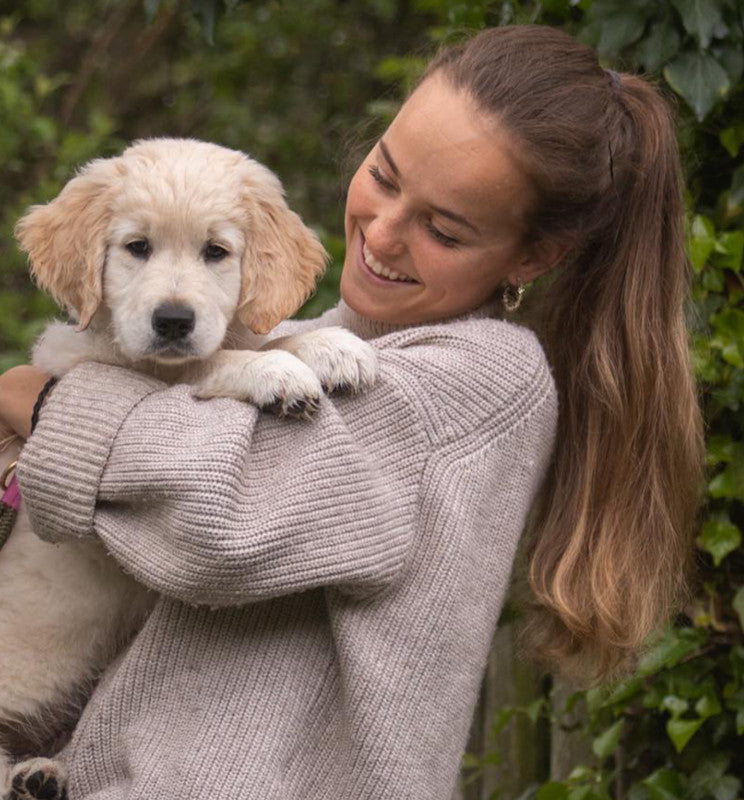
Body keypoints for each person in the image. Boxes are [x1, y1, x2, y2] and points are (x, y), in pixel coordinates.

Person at [0, 24, 704, 800]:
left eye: (442, 228)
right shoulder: (307, 345)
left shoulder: (482, 383)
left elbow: (219, 518)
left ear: (532, 257)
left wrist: (39, 398)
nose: (384, 231)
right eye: (386, 175)